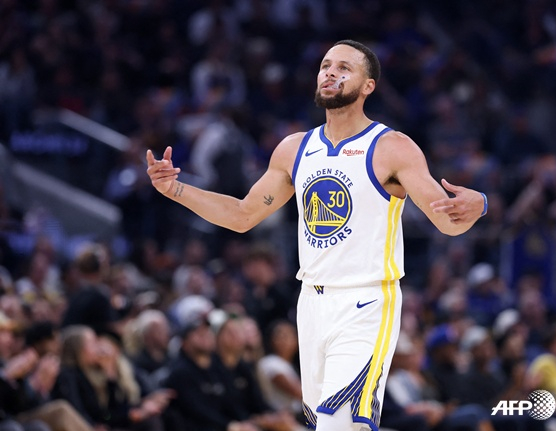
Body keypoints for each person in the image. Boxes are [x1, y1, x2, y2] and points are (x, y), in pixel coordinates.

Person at [147, 39, 487, 431]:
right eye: (326, 65)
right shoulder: (295, 149)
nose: (330, 73)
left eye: (344, 68)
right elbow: (242, 216)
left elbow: (447, 221)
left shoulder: (392, 148)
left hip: (366, 301)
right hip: (311, 301)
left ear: (368, 86)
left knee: (335, 423)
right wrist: (175, 189)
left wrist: (479, 204)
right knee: (332, 425)